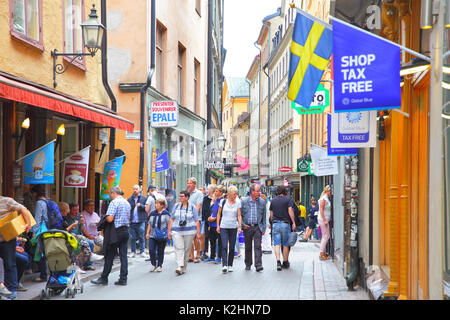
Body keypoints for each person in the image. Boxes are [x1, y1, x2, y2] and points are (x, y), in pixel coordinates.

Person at [91, 186, 131, 286]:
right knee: (123, 255)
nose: (110, 196)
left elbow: (110, 219)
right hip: (125, 230)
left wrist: (104, 218)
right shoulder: (127, 202)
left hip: (115, 232)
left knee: (109, 255)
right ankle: (123, 278)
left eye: (110, 194)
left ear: (113, 193)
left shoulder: (114, 202)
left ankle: (104, 278)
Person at [0, 195, 32, 300]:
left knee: (10, 263)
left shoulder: (6, 201)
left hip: (7, 239)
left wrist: (28, 223)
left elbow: (23, 209)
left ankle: (12, 289)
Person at [167, 190, 200, 275]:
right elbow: (172, 218)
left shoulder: (192, 207)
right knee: (179, 248)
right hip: (176, 230)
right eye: (180, 196)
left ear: (187, 197)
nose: (180, 198)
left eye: (182, 196)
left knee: (186, 249)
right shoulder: (176, 206)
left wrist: (198, 233)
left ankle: (184, 266)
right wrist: (169, 231)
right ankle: (179, 266)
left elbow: (196, 220)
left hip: (190, 231)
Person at [240, 183, 266, 272]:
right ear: (252, 192)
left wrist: (263, 228)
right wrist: (243, 225)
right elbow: (240, 215)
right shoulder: (244, 202)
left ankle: (258, 265)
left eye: (259, 191)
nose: (259, 192)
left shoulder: (262, 202)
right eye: (258, 191)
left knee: (258, 246)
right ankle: (248, 264)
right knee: (248, 247)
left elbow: (264, 216)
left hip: (257, 227)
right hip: (247, 227)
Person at [216, 185, 242, 273]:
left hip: (233, 227)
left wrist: (239, 226)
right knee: (224, 246)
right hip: (224, 226)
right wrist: (218, 226)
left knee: (231, 247)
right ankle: (224, 265)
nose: (235, 195)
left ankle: (230, 264)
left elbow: (239, 215)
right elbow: (218, 214)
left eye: (236, 194)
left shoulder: (238, 202)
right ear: (229, 194)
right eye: (234, 194)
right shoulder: (223, 202)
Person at [270, 186, 296, 271]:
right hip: (285, 224)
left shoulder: (273, 201)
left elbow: (271, 214)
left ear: (277, 192)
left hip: (275, 223)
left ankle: (278, 262)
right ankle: (285, 262)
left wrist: (271, 222)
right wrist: (293, 222)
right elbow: (290, 210)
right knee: (285, 244)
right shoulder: (288, 200)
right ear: (285, 192)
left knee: (277, 243)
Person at [30, 185, 49, 283]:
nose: (32, 195)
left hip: (41, 229)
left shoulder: (39, 203)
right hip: (48, 229)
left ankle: (43, 275)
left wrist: (34, 232)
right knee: (45, 251)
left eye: (32, 193)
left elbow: (37, 218)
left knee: (39, 251)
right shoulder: (48, 201)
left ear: (36, 193)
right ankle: (46, 273)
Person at [146, 198, 170, 272]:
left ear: (162, 205)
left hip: (161, 235)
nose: (155, 205)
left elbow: (169, 224)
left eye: (157, 204)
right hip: (152, 234)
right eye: (155, 203)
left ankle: (159, 265)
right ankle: (154, 264)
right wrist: (147, 233)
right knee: (151, 250)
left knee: (160, 251)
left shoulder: (165, 214)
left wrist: (169, 233)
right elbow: (149, 223)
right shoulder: (152, 213)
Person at [205, 185, 225, 264]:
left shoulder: (223, 201)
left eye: (217, 191)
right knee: (212, 241)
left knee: (219, 242)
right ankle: (212, 256)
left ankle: (219, 257)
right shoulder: (215, 201)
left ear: (220, 192)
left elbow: (222, 213)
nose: (215, 192)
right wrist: (210, 219)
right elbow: (212, 211)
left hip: (219, 224)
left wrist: (216, 218)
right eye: (215, 191)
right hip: (212, 224)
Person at [127, 185, 148, 259]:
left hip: (141, 220)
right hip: (132, 221)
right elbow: (128, 209)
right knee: (132, 237)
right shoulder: (130, 199)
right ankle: (133, 252)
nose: (135, 190)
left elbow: (147, 208)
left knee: (141, 237)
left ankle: (142, 251)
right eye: (134, 189)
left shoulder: (144, 198)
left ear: (140, 190)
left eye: (136, 189)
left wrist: (141, 205)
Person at [186, 178, 203, 263]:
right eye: (188, 183)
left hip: (196, 218)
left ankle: (198, 254)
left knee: (196, 237)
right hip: (187, 218)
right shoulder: (186, 193)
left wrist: (192, 215)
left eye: (190, 183)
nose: (188, 185)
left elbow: (198, 206)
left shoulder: (199, 193)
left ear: (194, 184)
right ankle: (191, 255)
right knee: (189, 237)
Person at [200, 184, 215, 261]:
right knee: (206, 237)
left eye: (208, 189)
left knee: (214, 238)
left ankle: (214, 253)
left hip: (215, 221)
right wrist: (206, 219)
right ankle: (205, 252)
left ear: (212, 190)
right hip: (207, 221)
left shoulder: (215, 199)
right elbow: (204, 210)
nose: (207, 191)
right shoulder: (206, 199)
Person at [318, 186, 332, 260]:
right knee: (326, 236)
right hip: (323, 220)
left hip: (324, 219)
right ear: (327, 191)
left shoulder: (325, 198)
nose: (330, 193)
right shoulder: (324, 199)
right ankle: (321, 253)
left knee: (325, 236)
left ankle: (322, 253)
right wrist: (325, 220)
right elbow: (321, 209)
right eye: (330, 191)